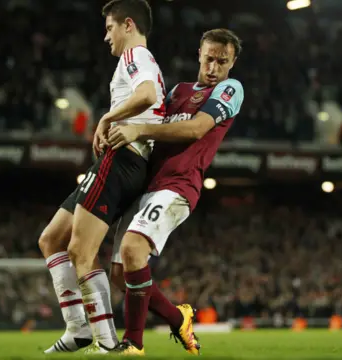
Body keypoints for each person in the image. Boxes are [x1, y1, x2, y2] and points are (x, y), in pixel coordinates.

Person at [105, 28, 245, 355]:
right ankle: (177, 318)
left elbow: (196, 129)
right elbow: (154, 130)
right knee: (119, 275)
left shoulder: (230, 89)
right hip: (147, 184)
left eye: (222, 62)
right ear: (199, 54)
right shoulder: (178, 91)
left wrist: (138, 128)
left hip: (179, 186)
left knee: (133, 247)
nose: (213, 67)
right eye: (209, 59)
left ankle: (133, 343)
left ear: (232, 63)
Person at [38, 0, 166, 353]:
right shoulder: (142, 61)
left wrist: (108, 118)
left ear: (128, 25)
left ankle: (107, 343)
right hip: (120, 162)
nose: (106, 36)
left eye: (109, 28)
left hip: (123, 159)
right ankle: (77, 328)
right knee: (51, 239)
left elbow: (147, 95)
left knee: (81, 249)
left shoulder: (135, 56)